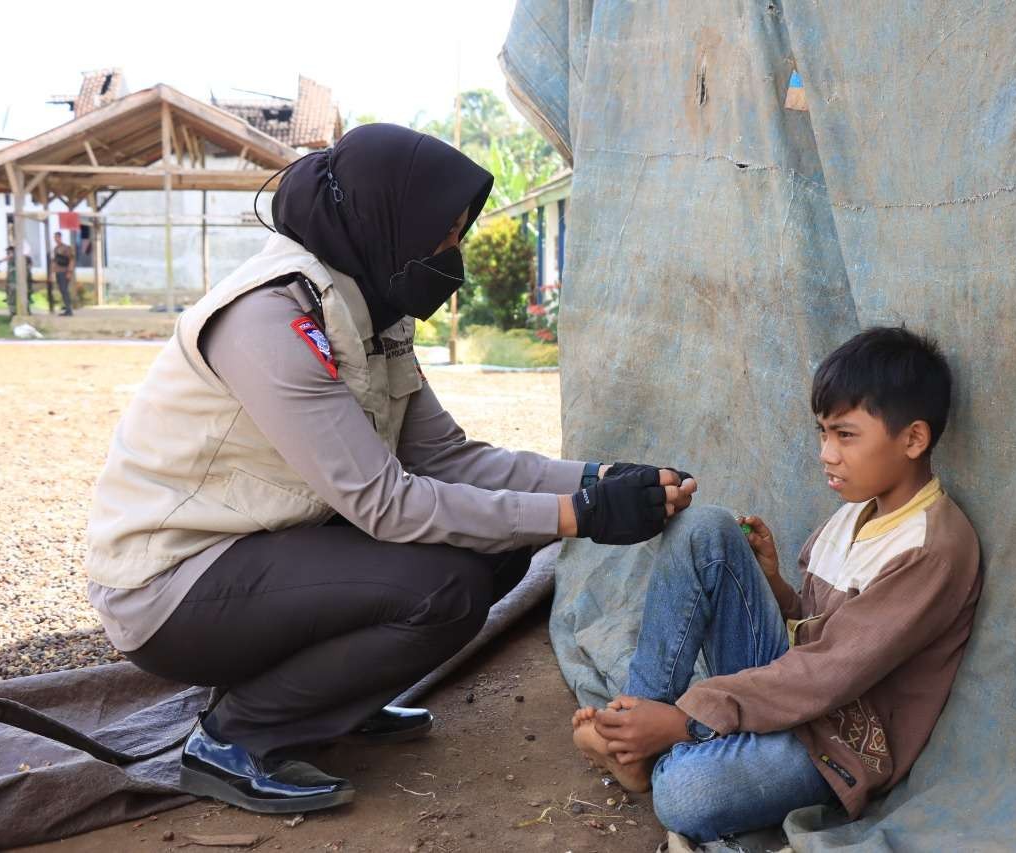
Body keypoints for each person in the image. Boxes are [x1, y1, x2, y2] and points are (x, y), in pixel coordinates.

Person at [84, 123, 698, 815]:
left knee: (494, 552)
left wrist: (600, 477)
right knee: (444, 587)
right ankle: (234, 739)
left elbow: (451, 459)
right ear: (386, 221)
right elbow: (384, 502)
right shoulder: (271, 317)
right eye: (444, 233)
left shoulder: (368, 309)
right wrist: (579, 516)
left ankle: (334, 701)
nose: (452, 252)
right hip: (172, 585)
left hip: (257, 552)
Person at [571, 327, 982, 843]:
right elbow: (815, 629)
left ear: (913, 438)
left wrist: (685, 720)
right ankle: (631, 729)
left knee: (687, 794)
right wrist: (776, 587)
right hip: (790, 692)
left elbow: (829, 672)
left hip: (838, 742)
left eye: (845, 435)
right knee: (705, 528)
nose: (826, 454)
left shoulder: (931, 549)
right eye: (823, 434)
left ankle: (655, 741)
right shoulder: (856, 511)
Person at [0, 246, 35, 316]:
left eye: (9, 252)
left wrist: (1, 261)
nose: (8, 254)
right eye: (7, 253)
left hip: (19, 283)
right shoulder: (11, 259)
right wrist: (0, 261)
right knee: (12, 298)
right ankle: (14, 312)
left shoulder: (20, 258)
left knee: (22, 297)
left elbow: (29, 264)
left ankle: (25, 311)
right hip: (12, 282)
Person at [50, 231, 75, 315]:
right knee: (62, 290)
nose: (56, 239)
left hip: (64, 272)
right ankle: (67, 309)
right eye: (55, 237)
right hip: (58, 272)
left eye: (57, 237)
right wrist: (52, 272)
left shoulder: (66, 248)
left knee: (64, 290)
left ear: (60, 238)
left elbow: (71, 260)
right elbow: (54, 261)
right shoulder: (55, 249)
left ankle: (69, 310)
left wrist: (69, 272)